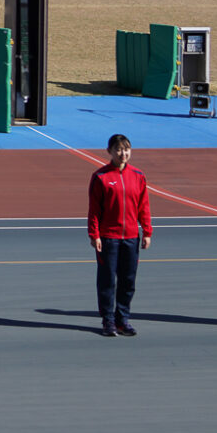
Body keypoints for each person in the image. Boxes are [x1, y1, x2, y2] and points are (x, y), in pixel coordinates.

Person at [87, 134, 151, 337]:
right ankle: (108, 321)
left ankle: (123, 319)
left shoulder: (138, 176)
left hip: (131, 238)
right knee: (107, 281)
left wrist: (147, 231)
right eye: (119, 149)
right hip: (108, 238)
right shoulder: (100, 177)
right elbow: (94, 210)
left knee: (128, 281)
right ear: (110, 152)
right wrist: (94, 234)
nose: (123, 154)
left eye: (126, 149)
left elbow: (144, 206)